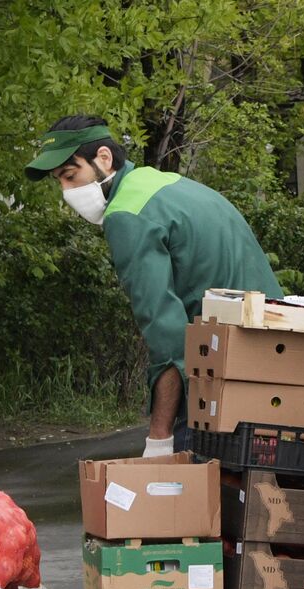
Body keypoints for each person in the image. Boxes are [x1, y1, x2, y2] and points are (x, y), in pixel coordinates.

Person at [25, 116, 282, 456]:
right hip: (277, 363)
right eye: (59, 182)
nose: (67, 192)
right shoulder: (172, 185)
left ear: (104, 158)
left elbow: (167, 335)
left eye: (71, 177)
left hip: (219, 384)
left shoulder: (126, 213)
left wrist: (159, 438)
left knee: (190, 501)